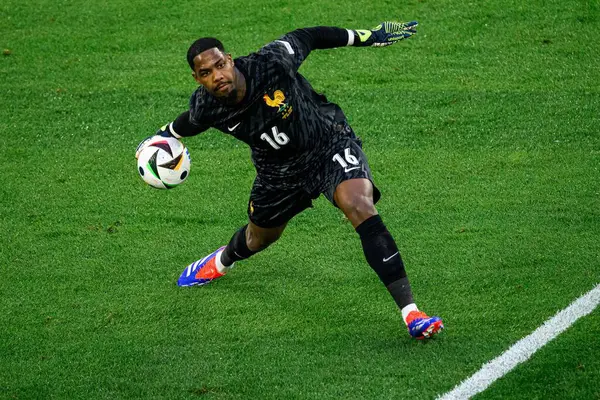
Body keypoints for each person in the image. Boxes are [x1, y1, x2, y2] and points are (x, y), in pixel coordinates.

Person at [136, 22, 443, 339]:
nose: (217, 76)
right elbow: (191, 122)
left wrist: (367, 37)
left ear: (229, 59)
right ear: (198, 79)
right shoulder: (207, 104)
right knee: (259, 239)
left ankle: (412, 314)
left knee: (359, 205)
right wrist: (161, 137)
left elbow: (310, 36)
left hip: (327, 144)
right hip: (277, 174)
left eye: (220, 65)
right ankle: (221, 260)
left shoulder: (271, 63)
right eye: (206, 73)